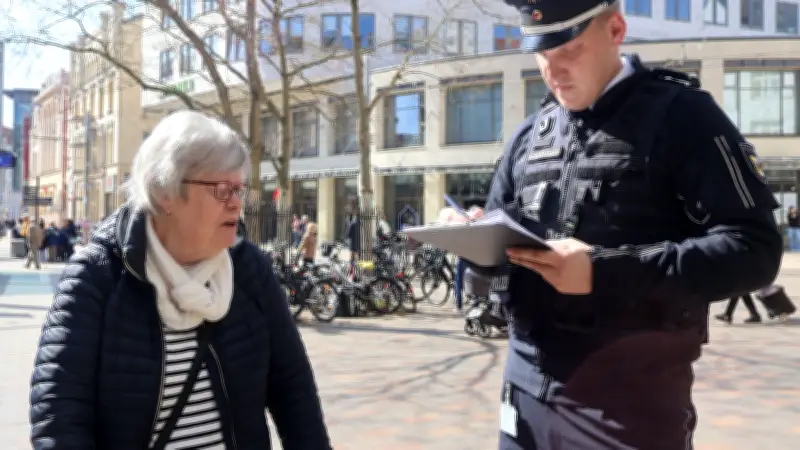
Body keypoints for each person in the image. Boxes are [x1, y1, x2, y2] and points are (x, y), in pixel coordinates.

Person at [440, 1, 783, 448]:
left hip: (627, 407)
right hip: (524, 395)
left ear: (616, 29)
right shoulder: (530, 135)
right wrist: (475, 244)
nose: (554, 70)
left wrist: (602, 273)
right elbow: (495, 261)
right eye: (543, 55)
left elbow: (753, 250)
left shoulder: (684, 116)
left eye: (571, 50)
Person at [29, 111, 331, 450]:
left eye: (239, 190)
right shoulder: (97, 277)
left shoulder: (250, 270)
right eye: (221, 190)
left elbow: (295, 393)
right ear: (165, 192)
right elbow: (59, 419)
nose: (236, 205)